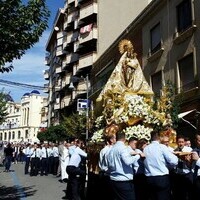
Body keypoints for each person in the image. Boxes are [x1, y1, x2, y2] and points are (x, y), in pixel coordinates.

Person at [107, 131, 143, 200]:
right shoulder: (123, 148)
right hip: (123, 181)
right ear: (124, 139)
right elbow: (128, 161)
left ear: (116, 138)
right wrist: (138, 156)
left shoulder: (111, 149)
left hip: (114, 180)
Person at [143, 130, 178, 200]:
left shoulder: (146, 149)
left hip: (149, 178)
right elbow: (174, 161)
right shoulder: (162, 147)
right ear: (159, 137)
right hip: (161, 178)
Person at [173, 135, 193, 200]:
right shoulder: (174, 150)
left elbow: (192, 163)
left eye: (182, 142)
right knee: (179, 193)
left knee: (188, 193)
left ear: (184, 142)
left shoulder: (189, 150)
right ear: (176, 142)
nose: (180, 143)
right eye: (179, 142)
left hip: (187, 173)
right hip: (178, 174)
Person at [98, 134, 116, 200]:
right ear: (111, 140)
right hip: (107, 173)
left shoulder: (103, 150)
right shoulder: (109, 150)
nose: (116, 140)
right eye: (115, 138)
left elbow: (100, 162)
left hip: (103, 172)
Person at [190, 134, 200, 199]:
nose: (198, 142)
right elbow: (192, 166)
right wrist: (188, 162)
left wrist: (198, 159)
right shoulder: (193, 150)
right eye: (198, 140)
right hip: (194, 177)